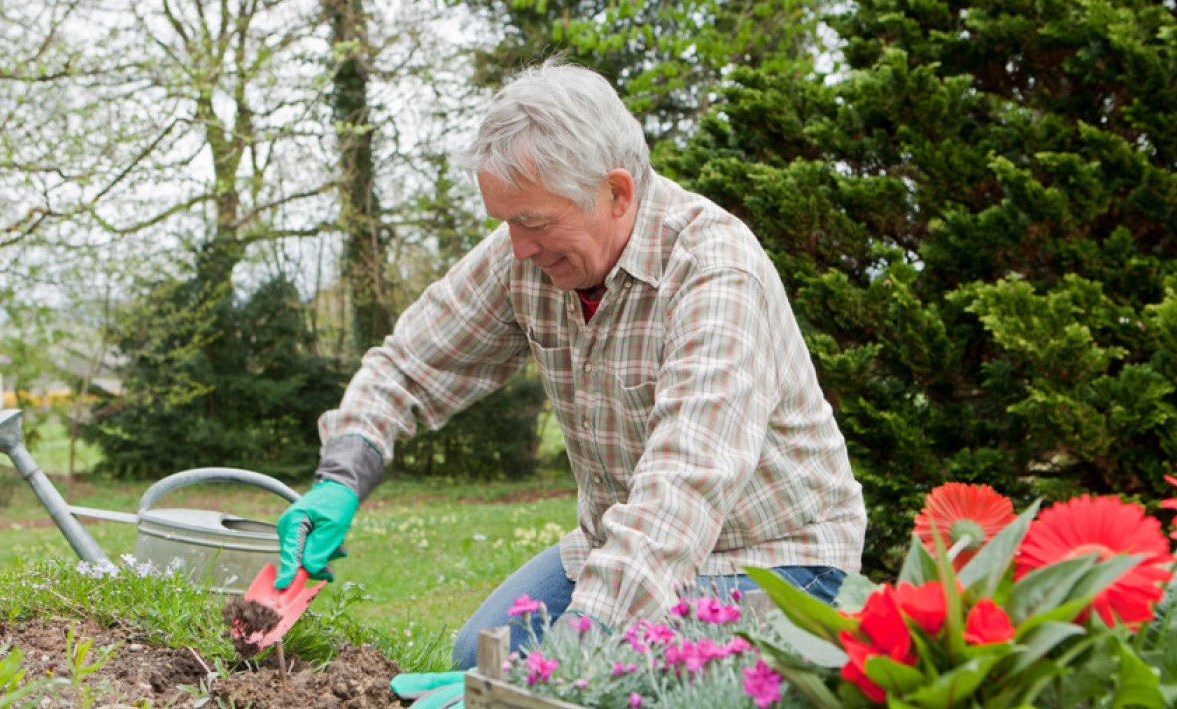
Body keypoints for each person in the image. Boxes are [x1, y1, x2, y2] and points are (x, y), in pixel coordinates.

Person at [276, 59, 866, 676]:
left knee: (620, 694)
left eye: (533, 222)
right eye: (508, 222)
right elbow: (410, 363)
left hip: (776, 560)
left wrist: (570, 657)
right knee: (480, 659)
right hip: (619, 544)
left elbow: (685, 484)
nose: (519, 247)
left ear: (617, 193)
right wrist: (342, 474)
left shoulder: (714, 271)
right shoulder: (526, 256)